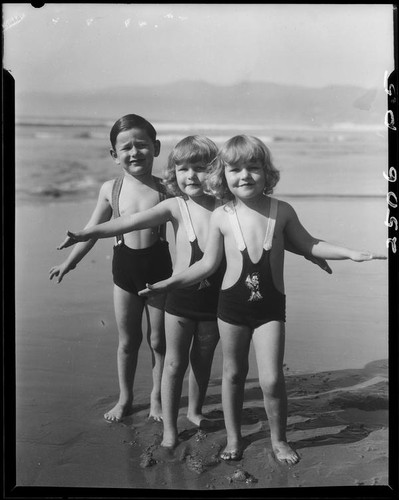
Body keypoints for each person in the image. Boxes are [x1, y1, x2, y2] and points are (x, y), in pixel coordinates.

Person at [57, 135, 332, 448]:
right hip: (180, 299)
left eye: (200, 168)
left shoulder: (228, 208)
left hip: (215, 300)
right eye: (183, 168)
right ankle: (170, 430)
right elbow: (127, 222)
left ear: (215, 172)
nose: (191, 176)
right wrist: (84, 233)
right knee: (174, 365)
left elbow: (271, 235)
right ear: (174, 172)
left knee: (203, 361)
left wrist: (311, 253)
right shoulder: (175, 206)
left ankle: (196, 412)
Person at [136, 135, 386, 465]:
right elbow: (206, 265)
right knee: (234, 375)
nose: (244, 176)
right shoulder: (221, 216)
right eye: (235, 169)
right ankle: (235, 438)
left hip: (270, 310)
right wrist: (168, 283)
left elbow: (308, 243)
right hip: (230, 310)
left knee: (270, 378)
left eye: (253, 168)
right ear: (222, 175)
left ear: (267, 172)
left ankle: (278, 439)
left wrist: (350, 253)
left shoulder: (282, 211)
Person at [49, 114, 173, 423]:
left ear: (156, 148)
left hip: (162, 273)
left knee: (159, 341)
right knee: (128, 341)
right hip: (124, 274)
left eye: (142, 145)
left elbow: (191, 229)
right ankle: (126, 398)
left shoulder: (168, 188)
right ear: (114, 155)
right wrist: (70, 262)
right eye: (126, 147)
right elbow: (92, 230)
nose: (134, 153)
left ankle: (157, 397)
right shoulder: (110, 189)